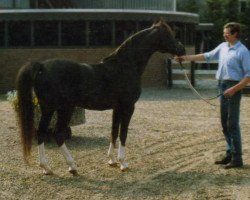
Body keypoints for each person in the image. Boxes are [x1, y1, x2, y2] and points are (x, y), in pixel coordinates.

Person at [175, 22, 250, 169]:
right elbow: (207, 56)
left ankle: (237, 158)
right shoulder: (223, 47)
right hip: (222, 85)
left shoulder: (243, 51)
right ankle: (230, 153)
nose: (224, 35)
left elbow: (248, 76)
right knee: (224, 122)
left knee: (232, 123)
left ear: (235, 34)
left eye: (227, 33)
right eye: (224, 32)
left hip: (232, 86)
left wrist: (234, 89)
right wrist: (185, 58)